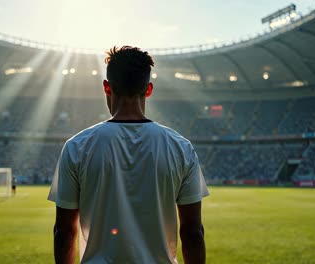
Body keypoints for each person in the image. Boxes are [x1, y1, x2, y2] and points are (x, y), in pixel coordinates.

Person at [48, 46, 209, 264]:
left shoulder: (77, 147)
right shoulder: (181, 148)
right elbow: (192, 232)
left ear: (106, 87)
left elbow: (65, 231)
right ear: (149, 89)